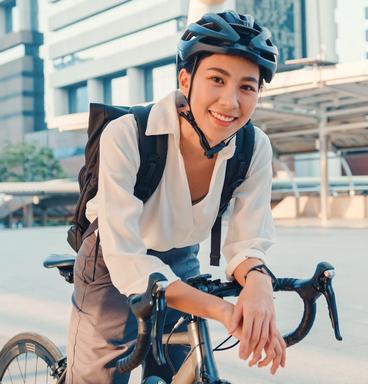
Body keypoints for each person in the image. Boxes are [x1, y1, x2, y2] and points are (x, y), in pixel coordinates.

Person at [66, 10, 283, 384]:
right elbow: (126, 258)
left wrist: (259, 285)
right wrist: (222, 310)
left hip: (180, 256)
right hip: (110, 258)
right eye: (217, 79)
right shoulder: (127, 135)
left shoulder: (253, 146)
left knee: (179, 370)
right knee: (102, 374)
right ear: (186, 78)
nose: (231, 102)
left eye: (247, 87)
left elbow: (248, 240)